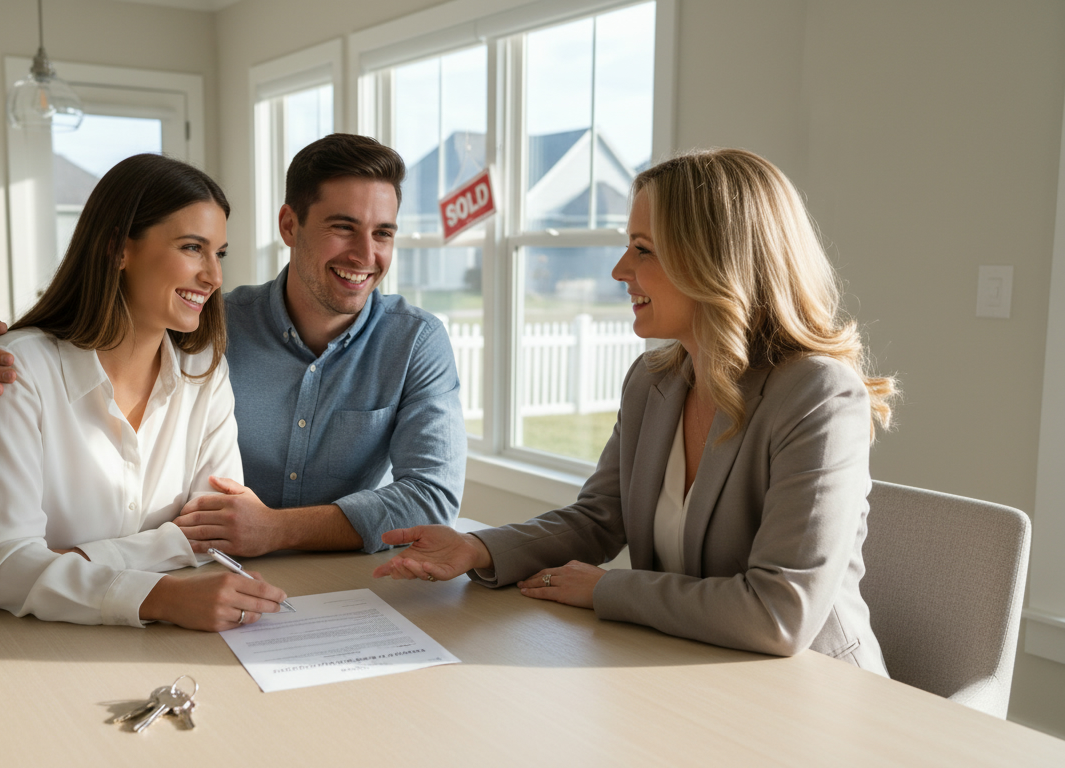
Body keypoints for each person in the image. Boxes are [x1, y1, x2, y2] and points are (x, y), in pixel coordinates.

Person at [373, 148, 897, 674]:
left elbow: (779, 612)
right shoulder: (653, 382)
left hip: (813, 689)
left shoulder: (820, 396)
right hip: (681, 666)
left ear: (714, 260)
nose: (620, 269)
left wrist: (607, 589)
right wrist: (478, 549)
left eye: (642, 249)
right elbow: (600, 519)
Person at [0, 134, 467, 558]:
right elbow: (91, 333)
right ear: (290, 225)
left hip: (297, 581)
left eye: (384, 234)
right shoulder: (208, 330)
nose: (366, 254)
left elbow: (433, 497)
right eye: (343, 227)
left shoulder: (415, 342)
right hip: (191, 574)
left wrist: (276, 530)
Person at [0, 154, 288, 632]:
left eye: (218, 253)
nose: (214, 277)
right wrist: (160, 594)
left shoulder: (205, 371)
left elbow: (214, 534)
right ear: (118, 249)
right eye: (191, 248)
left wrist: (80, 559)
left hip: (132, 631)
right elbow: (3, 566)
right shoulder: (17, 370)